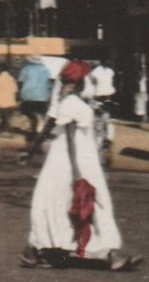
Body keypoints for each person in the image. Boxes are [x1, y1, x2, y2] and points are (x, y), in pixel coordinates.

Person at [19, 60, 141, 270]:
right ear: (77, 83)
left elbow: (52, 125)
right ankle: (108, 251)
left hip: (80, 159)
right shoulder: (72, 104)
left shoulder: (70, 102)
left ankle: (101, 249)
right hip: (73, 161)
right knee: (84, 201)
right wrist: (77, 172)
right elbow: (70, 138)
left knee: (67, 202)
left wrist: (30, 152)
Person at [16, 54, 54, 135]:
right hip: (42, 96)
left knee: (27, 112)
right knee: (40, 113)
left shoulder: (25, 69)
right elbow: (49, 83)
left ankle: (33, 127)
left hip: (28, 95)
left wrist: (19, 94)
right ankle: (39, 129)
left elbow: (20, 82)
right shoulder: (46, 70)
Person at [0, 62, 19, 134]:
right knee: (6, 117)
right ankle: (4, 129)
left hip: (0, 102)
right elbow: (15, 90)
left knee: (3, 117)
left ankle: (5, 130)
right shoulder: (12, 79)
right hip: (11, 102)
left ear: (1, 69)